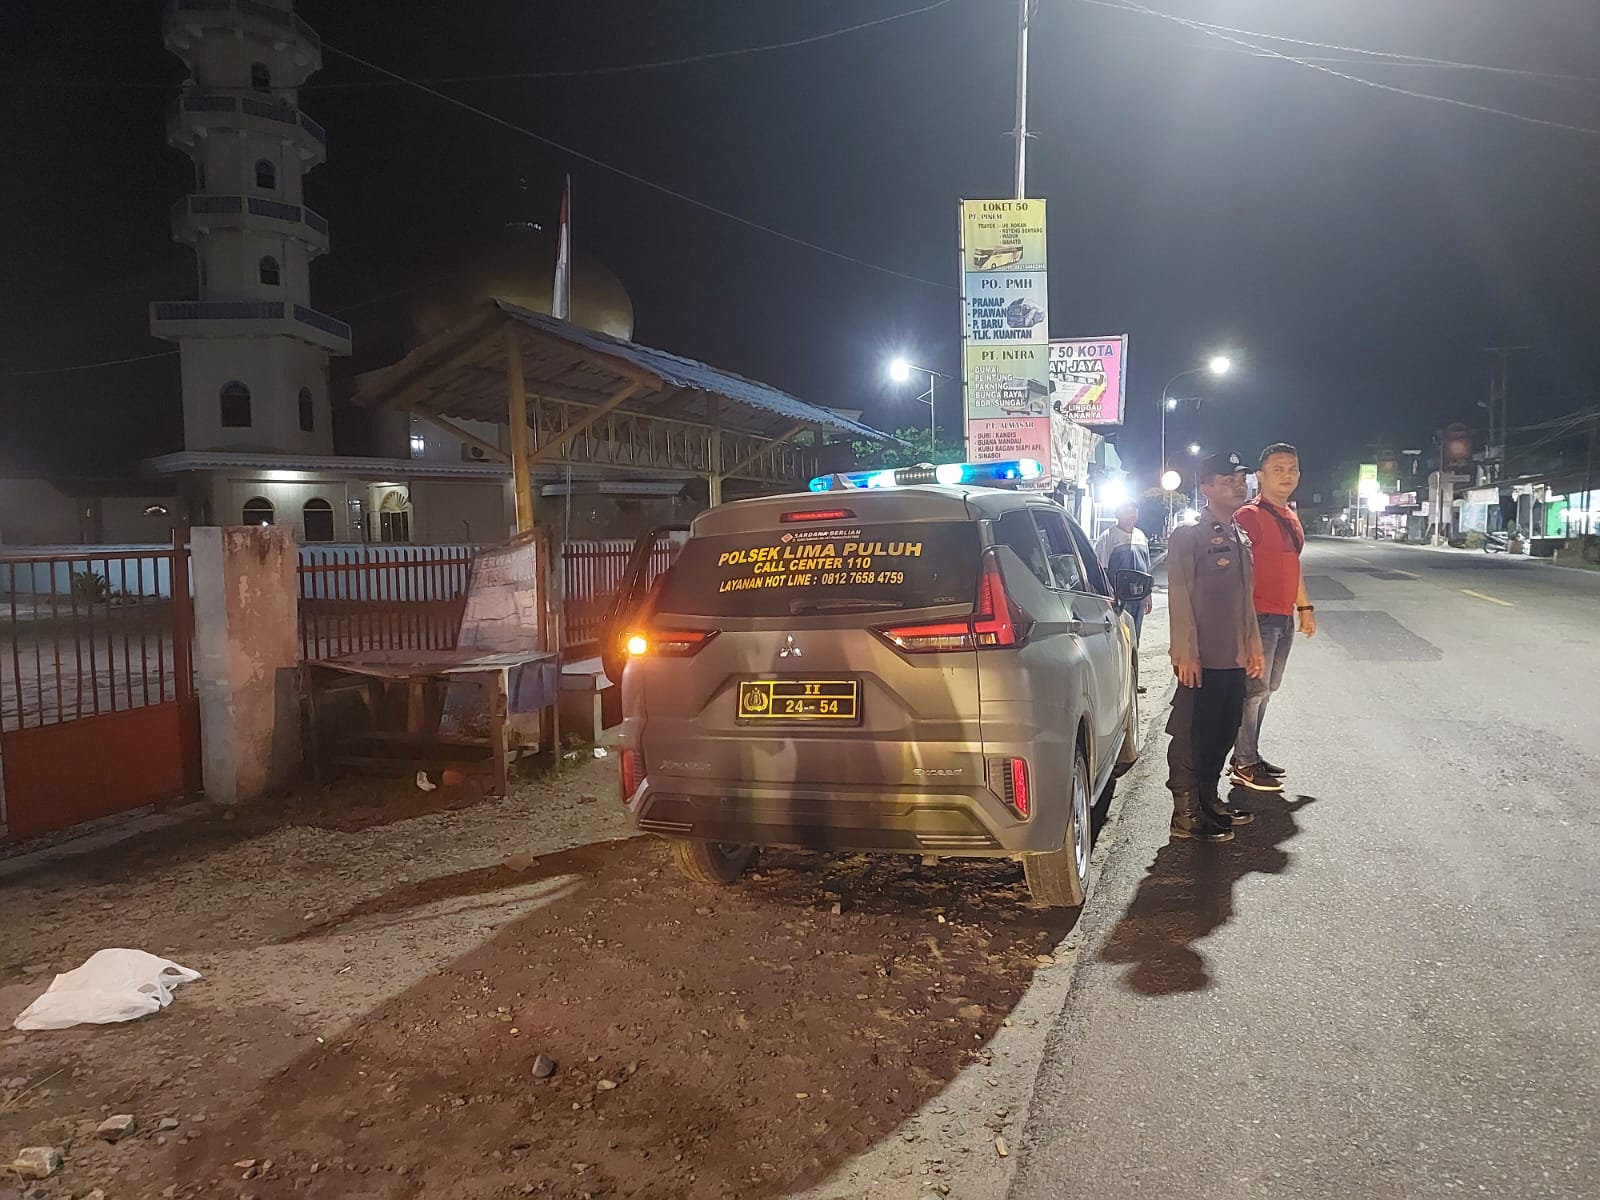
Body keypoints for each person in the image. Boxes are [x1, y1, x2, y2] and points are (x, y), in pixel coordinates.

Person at [1165, 451, 1265, 841]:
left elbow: (1245, 599)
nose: (1237, 486)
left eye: (1240, 479)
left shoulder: (1239, 535)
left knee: (1224, 731)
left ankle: (1209, 800)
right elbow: (1179, 594)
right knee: (1193, 735)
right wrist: (1186, 652)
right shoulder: (1189, 535)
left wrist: (1253, 645)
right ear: (1205, 487)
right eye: (1227, 480)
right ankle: (1186, 814)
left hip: (1234, 656)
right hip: (1202, 658)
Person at [1229, 443, 1316, 793]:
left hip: (1282, 618)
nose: (1287, 475)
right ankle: (1244, 763)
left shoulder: (1291, 516)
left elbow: (1292, 567)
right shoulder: (1247, 516)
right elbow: (1236, 575)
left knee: (1267, 690)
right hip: (1258, 617)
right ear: (1260, 476)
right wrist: (1245, 627)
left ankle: (1249, 754)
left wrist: (1304, 608)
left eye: (1292, 468)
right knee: (1253, 691)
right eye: (1277, 469)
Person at [1094, 500, 1154, 651]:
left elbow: (1146, 567)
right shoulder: (1109, 537)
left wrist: (1148, 594)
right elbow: (1100, 568)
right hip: (1119, 598)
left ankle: (1132, 669)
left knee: (1135, 637)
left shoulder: (1141, 536)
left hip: (1138, 597)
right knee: (1120, 638)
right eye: (1126, 511)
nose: (1131, 514)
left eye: (1134, 510)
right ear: (1117, 514)